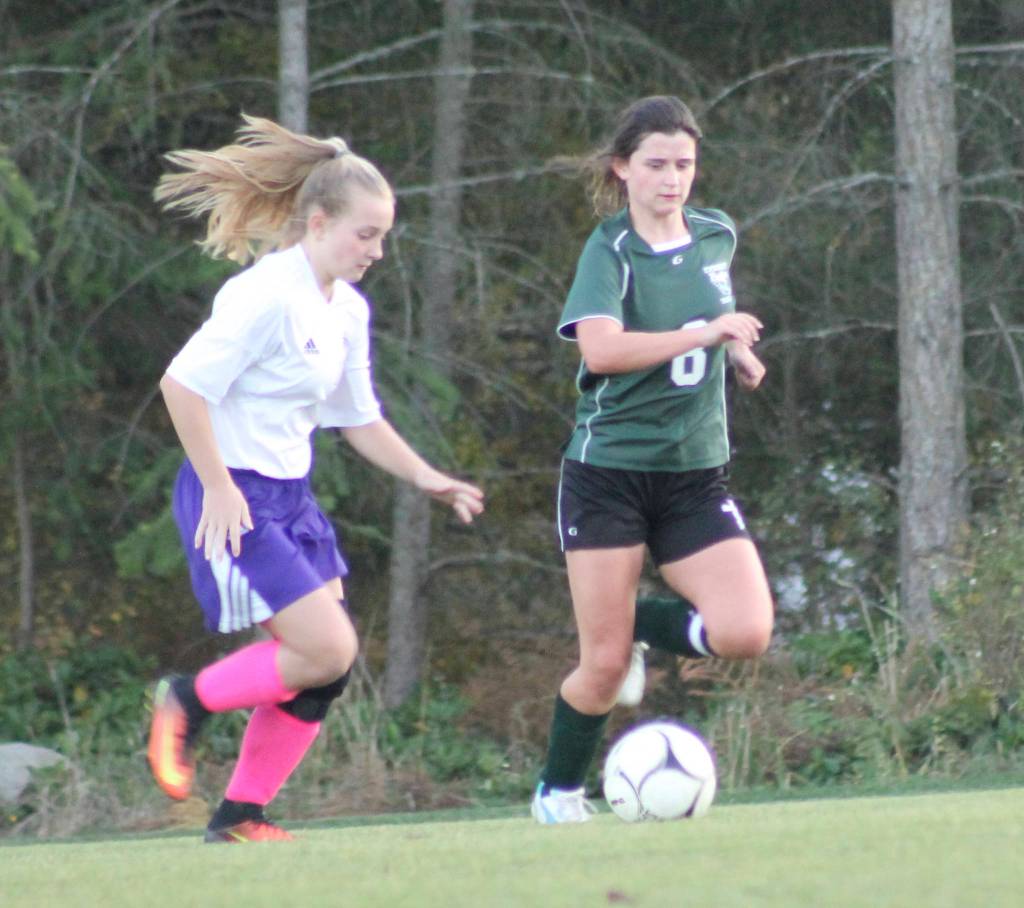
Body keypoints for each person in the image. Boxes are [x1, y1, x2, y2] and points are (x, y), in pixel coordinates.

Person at [146, 114, 484, 843]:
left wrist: (427, 476)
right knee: (328, 649)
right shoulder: (266, 295)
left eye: (384, 236)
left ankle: (240, 816)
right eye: (366, 234)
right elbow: (181, 386)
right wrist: (219, 487)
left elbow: (357, 418)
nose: (377, 250)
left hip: (289, 498)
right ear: (320, 223)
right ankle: (187, 700)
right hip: (232, 494)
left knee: (325, 670)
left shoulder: (347, 310)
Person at [531, 96, 773, 824]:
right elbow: (602, 350)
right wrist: (705, 335)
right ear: (622, 168)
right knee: (603, 666)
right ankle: (557, 794)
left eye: (684, 165)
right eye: (657, 164)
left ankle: (631, 619)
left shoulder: (716, 234)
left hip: (694, 474)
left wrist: (737, 351)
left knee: (745, 632)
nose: (672, 179)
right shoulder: (609, 252)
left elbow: (714, 315)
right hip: (608, 475)